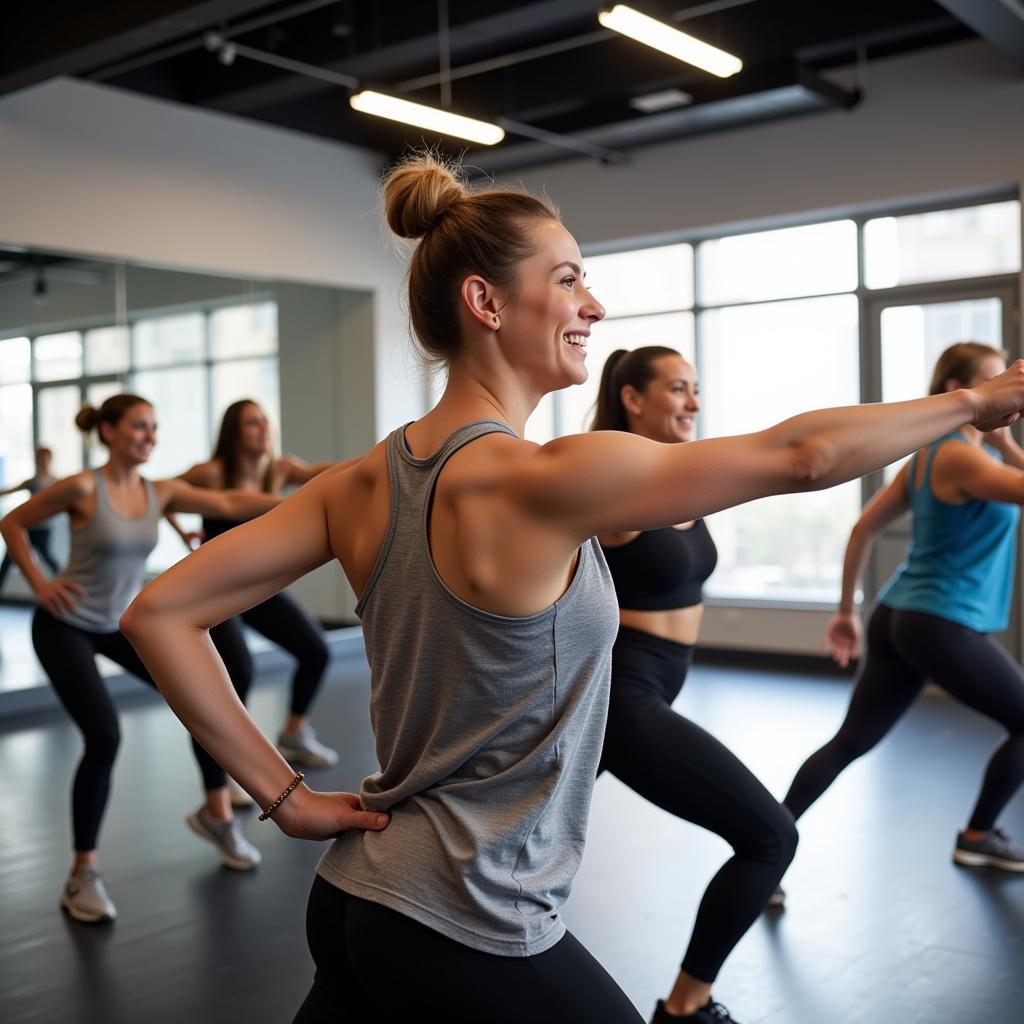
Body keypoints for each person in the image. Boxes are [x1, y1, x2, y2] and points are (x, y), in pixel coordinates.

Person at [120, 156, 1024, 1024]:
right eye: (568, 280)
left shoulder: (357, 483)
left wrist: (287, 800)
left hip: (359, 893)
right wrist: (974, 406)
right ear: (485, 302)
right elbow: (802, 457)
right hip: (466, 915)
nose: (594, 304)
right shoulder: (537, 478)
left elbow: (160, 612)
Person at [0, 394, 278, 925]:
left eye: (154, 427)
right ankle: (82, 874)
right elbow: (12, 522)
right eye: (138, 427)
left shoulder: (161, 491)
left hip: (114, 626)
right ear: (108, 431)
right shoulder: (84, 487)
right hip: (65, 627)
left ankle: (217, 813)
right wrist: (39, 584)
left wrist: (308, 502)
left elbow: (229, 504)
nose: (149, 436)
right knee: (104, 735)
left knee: (199, 699)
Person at [592, 347, 796, 1023]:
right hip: (625, 694)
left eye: (696, 389)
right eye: (678, 389)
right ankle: (685, 1008)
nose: (694, 403)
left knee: (503, 842)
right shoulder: (615, 482)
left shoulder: (673, 475)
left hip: (654, 686)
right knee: (771, 838)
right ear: (632, 398)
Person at [782, 340, 1024, 878]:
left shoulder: (929, 456)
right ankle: (979, 836)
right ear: (956, 393)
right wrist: (1006, 449)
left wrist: (848, 610)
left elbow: (863, 528)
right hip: (939, 620)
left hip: (898, 616)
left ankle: (768, 846)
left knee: (850, 742)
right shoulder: (963, 458)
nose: (1008, 397)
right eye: (995, 382)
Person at [170, 400, 338, 770]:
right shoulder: (211, 473)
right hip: (214, 591)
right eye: (252, 423)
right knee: (238, 672)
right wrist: (183, 531)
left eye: (265, 421)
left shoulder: (278, 469)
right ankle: (229, 769)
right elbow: (162, 494)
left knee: (315, 650)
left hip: (256, 588)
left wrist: (385, 455)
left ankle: (294, 734)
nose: (263, 428)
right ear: (234, 433)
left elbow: (327, 472)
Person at [0, 446, 60, 592]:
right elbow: (10, 490)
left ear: (50, 460)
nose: (43, 461)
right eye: (40, 458)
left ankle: (64, 585)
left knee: (47, 557)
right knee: (9, 559)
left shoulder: (56, 483)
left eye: (45, 458)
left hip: (43, 529)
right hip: (26, 529)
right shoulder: (32, 482)